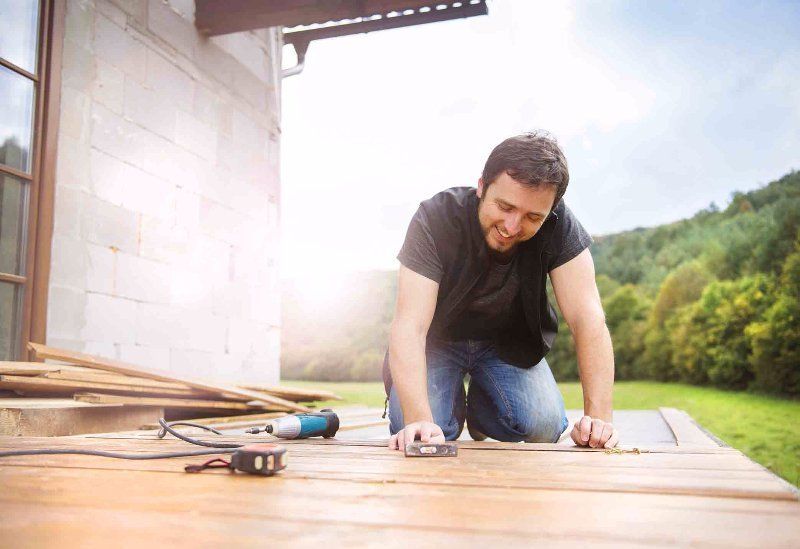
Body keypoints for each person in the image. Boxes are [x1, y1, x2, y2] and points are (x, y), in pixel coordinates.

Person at [385, 131, 619, 451]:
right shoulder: (434, 218)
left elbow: (588, 319)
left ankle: (482, 416)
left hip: (508, 345)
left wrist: (599, 421)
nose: (512, 226)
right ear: (482, 186)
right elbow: (410, 325)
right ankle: (447, 410)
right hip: (434, 341)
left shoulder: (560, 225)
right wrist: (419, 418)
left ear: (551, 210)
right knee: (420, 429)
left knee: (544, 426)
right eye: (505, 206)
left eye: (532, 217)